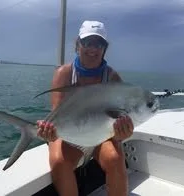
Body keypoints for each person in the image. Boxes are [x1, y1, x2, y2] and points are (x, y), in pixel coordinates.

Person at [37, 20, 134, 196]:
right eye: (88, 42)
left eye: (99, 44)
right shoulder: (64, 73)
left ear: (105, 48)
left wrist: (122, 134)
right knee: (59, 162)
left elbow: (120, 117)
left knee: (114, 158)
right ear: (78, 44)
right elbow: (57, 115)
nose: (93, 49)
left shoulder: (112, 77)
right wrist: (49, 131)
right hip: (69, 135)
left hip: (100, 135)